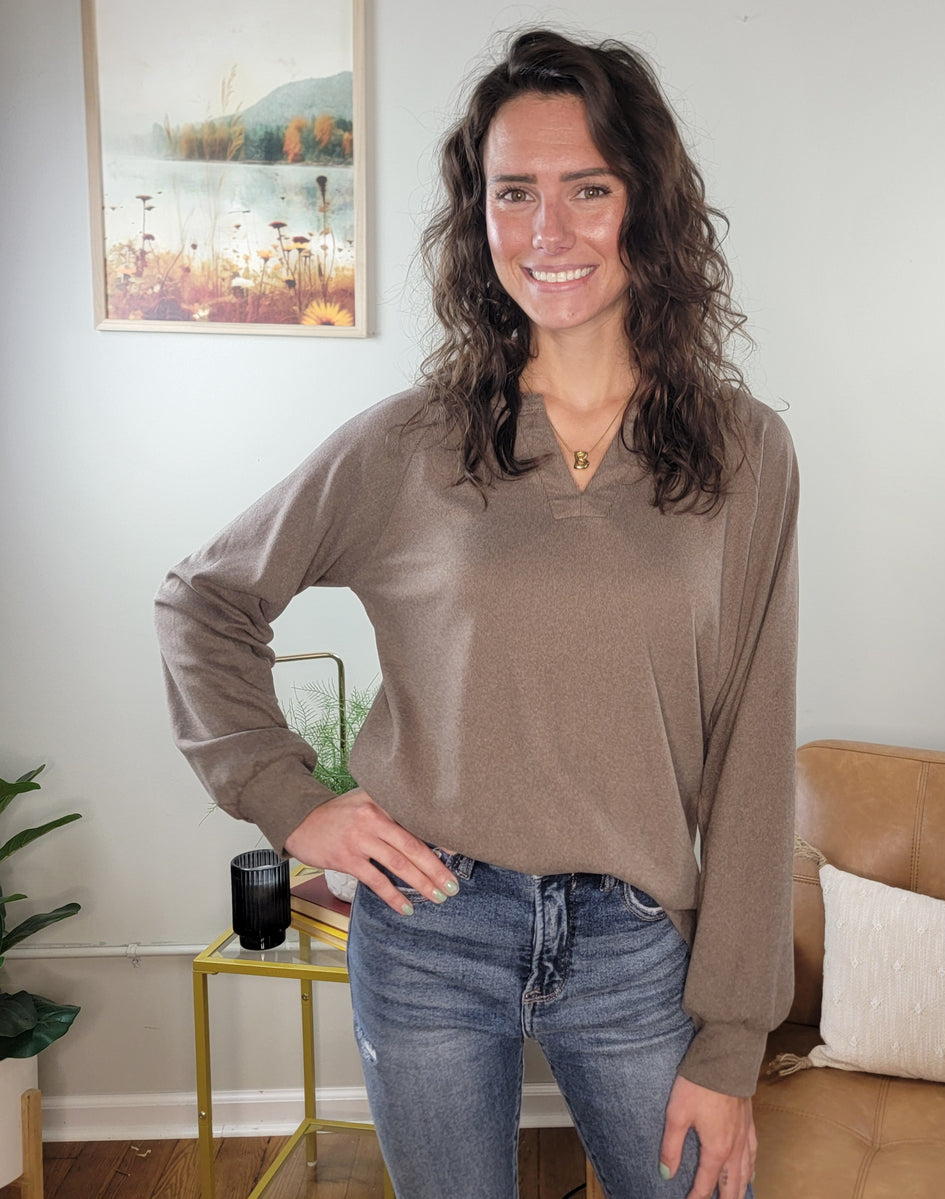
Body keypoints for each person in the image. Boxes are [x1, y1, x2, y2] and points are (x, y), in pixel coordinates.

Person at [155, 28, 798, 1199]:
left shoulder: (746, 452)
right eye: (514, 194)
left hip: (635, 938)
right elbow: (204, 598)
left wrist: (735, 1037)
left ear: (646, 204)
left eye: (588, 188)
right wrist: (292, 804)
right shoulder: (415, 440)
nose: (548, 231)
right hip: (429, 931)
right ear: (479, 215)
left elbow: (755, 747)